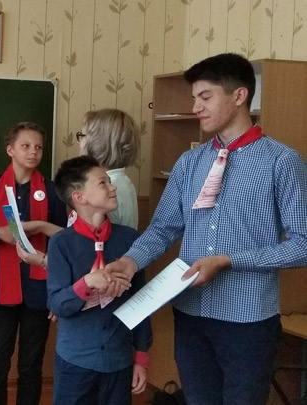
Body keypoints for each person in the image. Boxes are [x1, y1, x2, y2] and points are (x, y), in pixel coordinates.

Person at [104, 52, 307, 405]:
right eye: (194, 97)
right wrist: (130, 261)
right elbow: (163, 228)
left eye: (205, 97)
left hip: (247, 319)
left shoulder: (282, 162)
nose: (196, 107)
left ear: (239, 95)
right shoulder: (189, 162)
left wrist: (229, 260)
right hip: (190, 312)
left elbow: (303, 244)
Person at [0, 122, 67, 405]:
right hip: (0, 290)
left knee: (31, 366)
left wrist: (59, 288)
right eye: (25, 146)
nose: (33, 152)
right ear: (10, 150)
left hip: (39, 289)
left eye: (38, 147)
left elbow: (65, 243)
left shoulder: (52, 190)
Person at [47, 155, 152, 405]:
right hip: (75, 361)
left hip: (119, 360)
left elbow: (142, 301)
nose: (113, 187)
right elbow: (57, 304)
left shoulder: (130, 240)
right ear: (79, 197)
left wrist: (141, 356)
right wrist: (87, 283)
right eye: (103, 183)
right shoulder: (61, 243)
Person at [76, 108, 139, 229]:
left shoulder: (106, 188)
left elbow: (92, 238)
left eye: (82, 136)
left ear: (98, 142)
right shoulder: (122, 181)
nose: (79, 142)